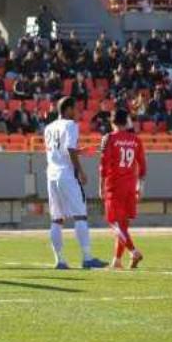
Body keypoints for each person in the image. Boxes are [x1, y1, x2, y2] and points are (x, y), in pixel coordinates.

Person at [44, 97, 108, 270]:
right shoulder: (71, 125)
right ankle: (87, 258)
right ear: (67, 109)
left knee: (56, 219)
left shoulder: (48, 127)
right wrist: (80, 171)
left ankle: (60, 261)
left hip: (52, 174)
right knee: (80, 215)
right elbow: (69, 150)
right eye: (75, 109)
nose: (77, 113)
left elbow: (62, 151)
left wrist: (83, 151)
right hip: (67, 174)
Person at [100, 109, 147, 269]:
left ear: (112, 122)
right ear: (126, 122)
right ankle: (117, 261)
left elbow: (103, 165)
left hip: (114, 186)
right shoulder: (136, 140)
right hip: (130, 186)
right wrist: (140, 185)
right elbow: (142, 165)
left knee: (113, 222)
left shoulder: (109, 138)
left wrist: (100, 186)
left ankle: (134, 251)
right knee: (123, 225)